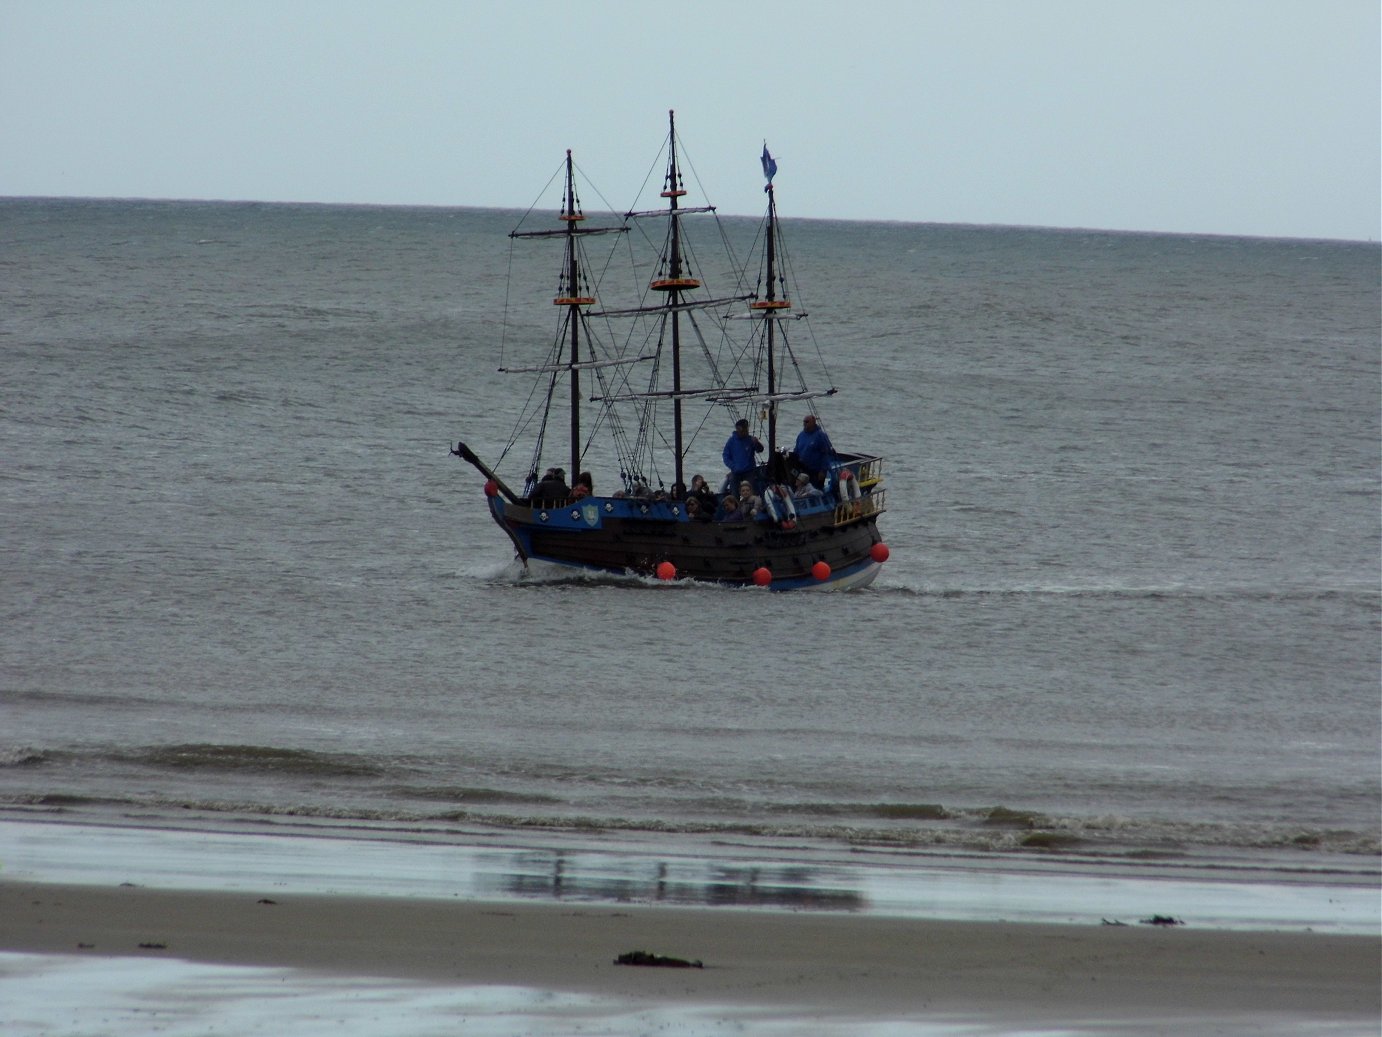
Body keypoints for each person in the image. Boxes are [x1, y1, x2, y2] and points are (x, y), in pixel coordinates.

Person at [721, 419, 764, 493]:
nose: (745, 431)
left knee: (752, 490)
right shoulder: (731, 441)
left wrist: (757, 443)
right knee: (734, 491)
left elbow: (760, 450)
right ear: (738, 429)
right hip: (736, 472)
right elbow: (725, 456)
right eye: (742, 430)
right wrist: (733, 466)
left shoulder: (750, 440)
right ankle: (736, 503)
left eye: (746, 429)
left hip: (749, 471)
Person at [793, 414, 835, 488]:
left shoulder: (820, 436)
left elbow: (826, 454)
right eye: (804, 422)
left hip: (816, 471)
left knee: (816, 488)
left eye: (807, 422)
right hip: (803, 469)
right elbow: (796, 450)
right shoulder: (801, 435)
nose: (805, 423)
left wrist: (823, 470)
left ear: (813, 422)